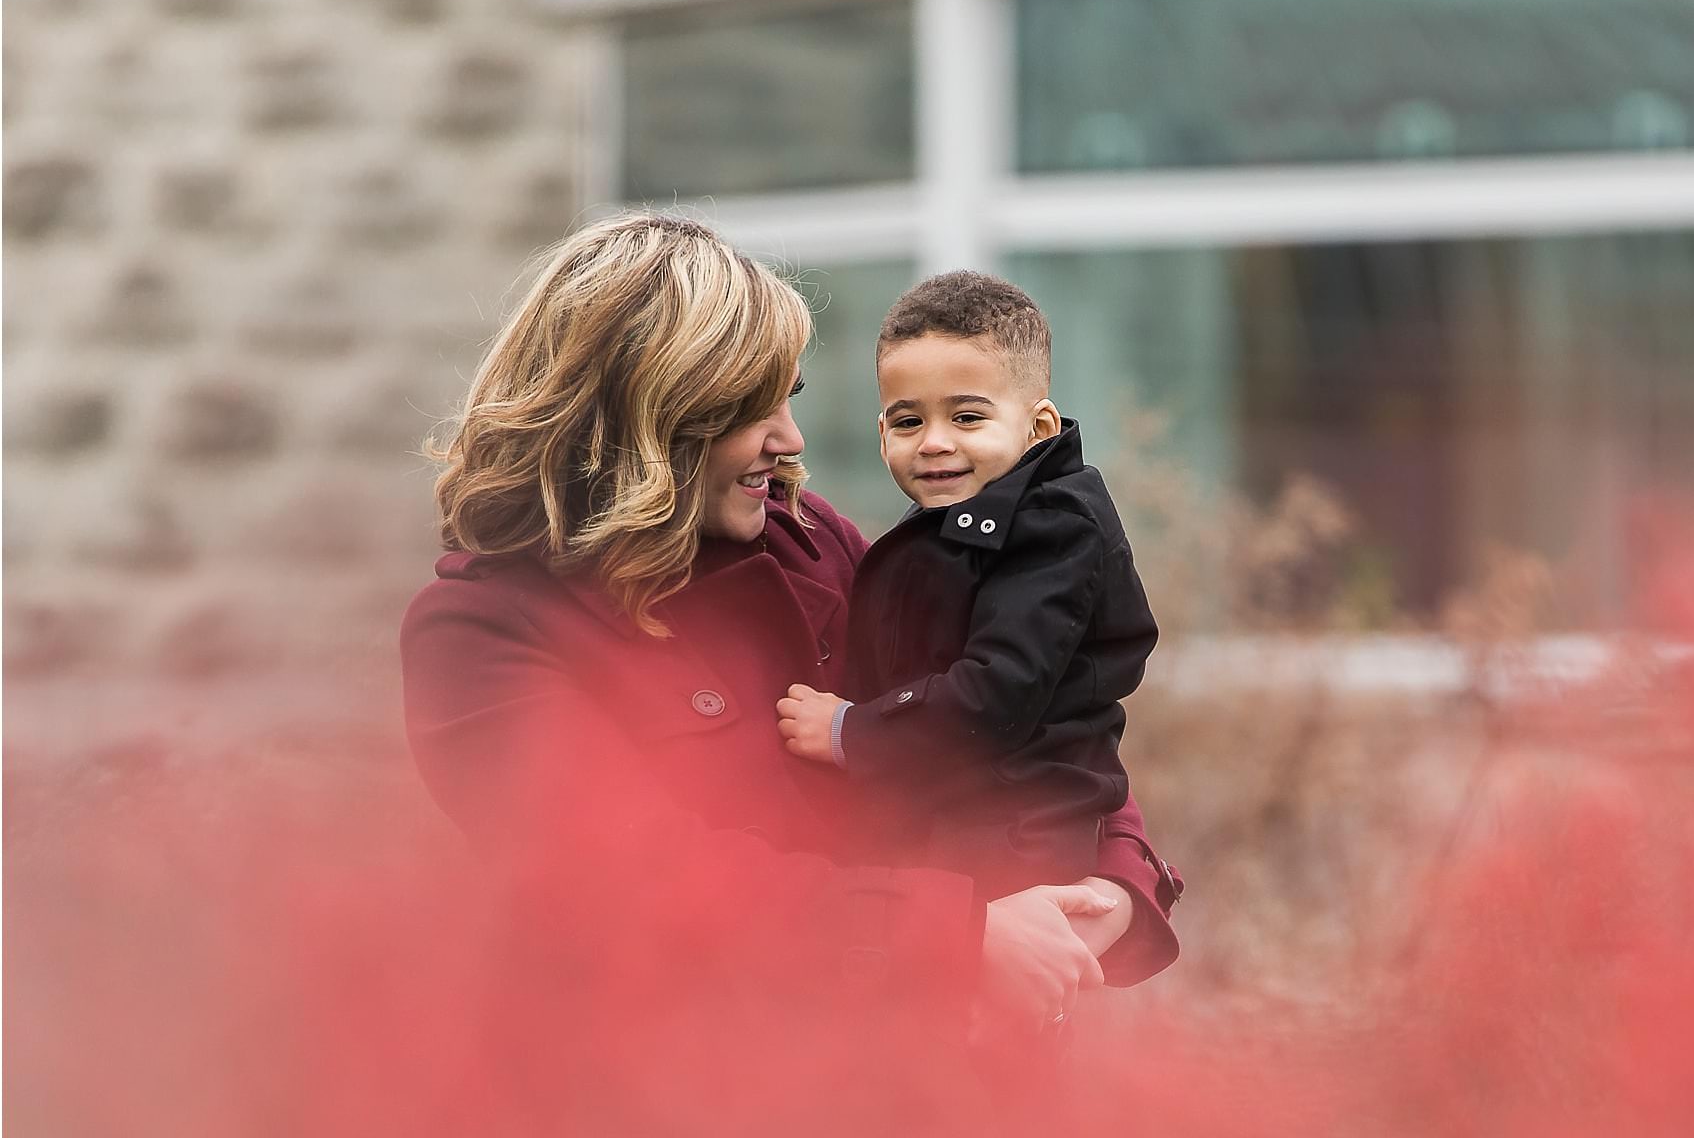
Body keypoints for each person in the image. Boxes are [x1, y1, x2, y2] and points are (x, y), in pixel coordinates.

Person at [400, 213, 1181, 1050]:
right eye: (750, 409)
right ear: (645, 417)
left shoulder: (816, 544)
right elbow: (625, 882)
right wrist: (957, 933)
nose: (790, 439)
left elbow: (1013, 720)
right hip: (669, 1136)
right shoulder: (479, 634)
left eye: (789, 399)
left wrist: (1111, 888)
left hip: (932, 1108)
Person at [775, 273, 1156, 932]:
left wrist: (850, 730)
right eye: (908, 420)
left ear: (1038, 426)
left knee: (986, 1023)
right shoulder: (964, 521)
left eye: (968, 416)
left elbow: (996, 694)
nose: (934, 441)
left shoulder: (1054, 530)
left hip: (1010, 844)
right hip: (971, 832)